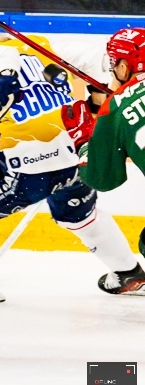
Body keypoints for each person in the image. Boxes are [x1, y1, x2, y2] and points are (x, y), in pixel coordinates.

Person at [0, 11, 138, 302]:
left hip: (28, 166)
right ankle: (129, 273)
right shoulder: (38, 44)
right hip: (78, 154)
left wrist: (5, 76)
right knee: (80, 216)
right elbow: (96, 59)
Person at [61, 27, 145, 294]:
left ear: (124, 67)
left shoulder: (116, 109)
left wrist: (83, 138)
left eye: (112, 65)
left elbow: (102, 179)